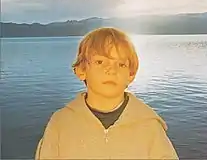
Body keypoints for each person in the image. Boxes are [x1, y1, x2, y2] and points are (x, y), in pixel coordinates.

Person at [35, 27, 179, 160]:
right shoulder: (60, 123)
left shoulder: (150, 126)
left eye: (121, 64)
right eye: (100, 62)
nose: (111, 70)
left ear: (131, 75)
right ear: (81, 70)